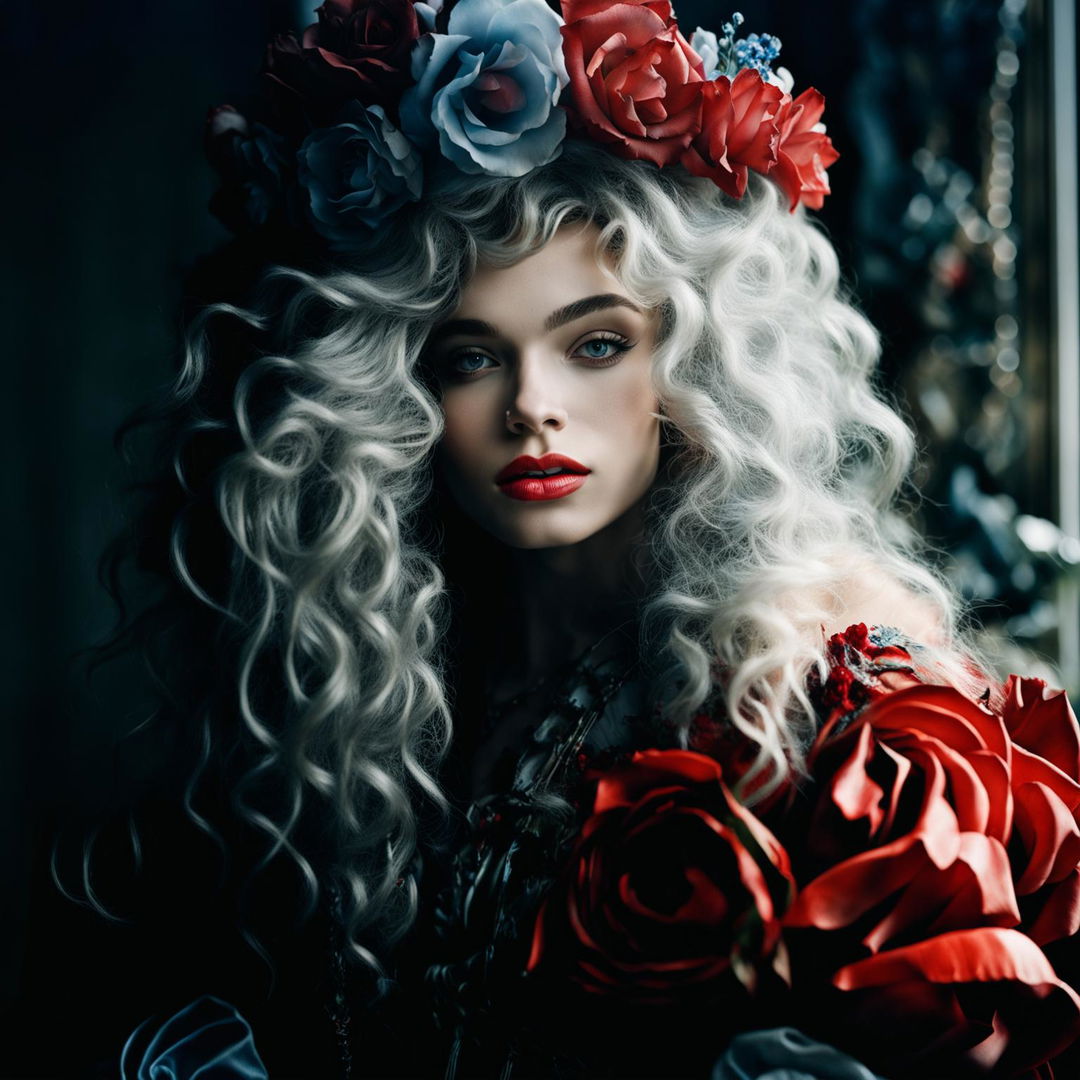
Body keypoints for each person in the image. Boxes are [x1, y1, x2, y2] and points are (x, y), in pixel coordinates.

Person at [62, 1, 1080, 1078]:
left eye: (595, 344)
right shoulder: (369, 693)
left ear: (696, 367)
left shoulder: (823, 709)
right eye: (468, 358)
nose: (532, 407)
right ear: (385, 393)